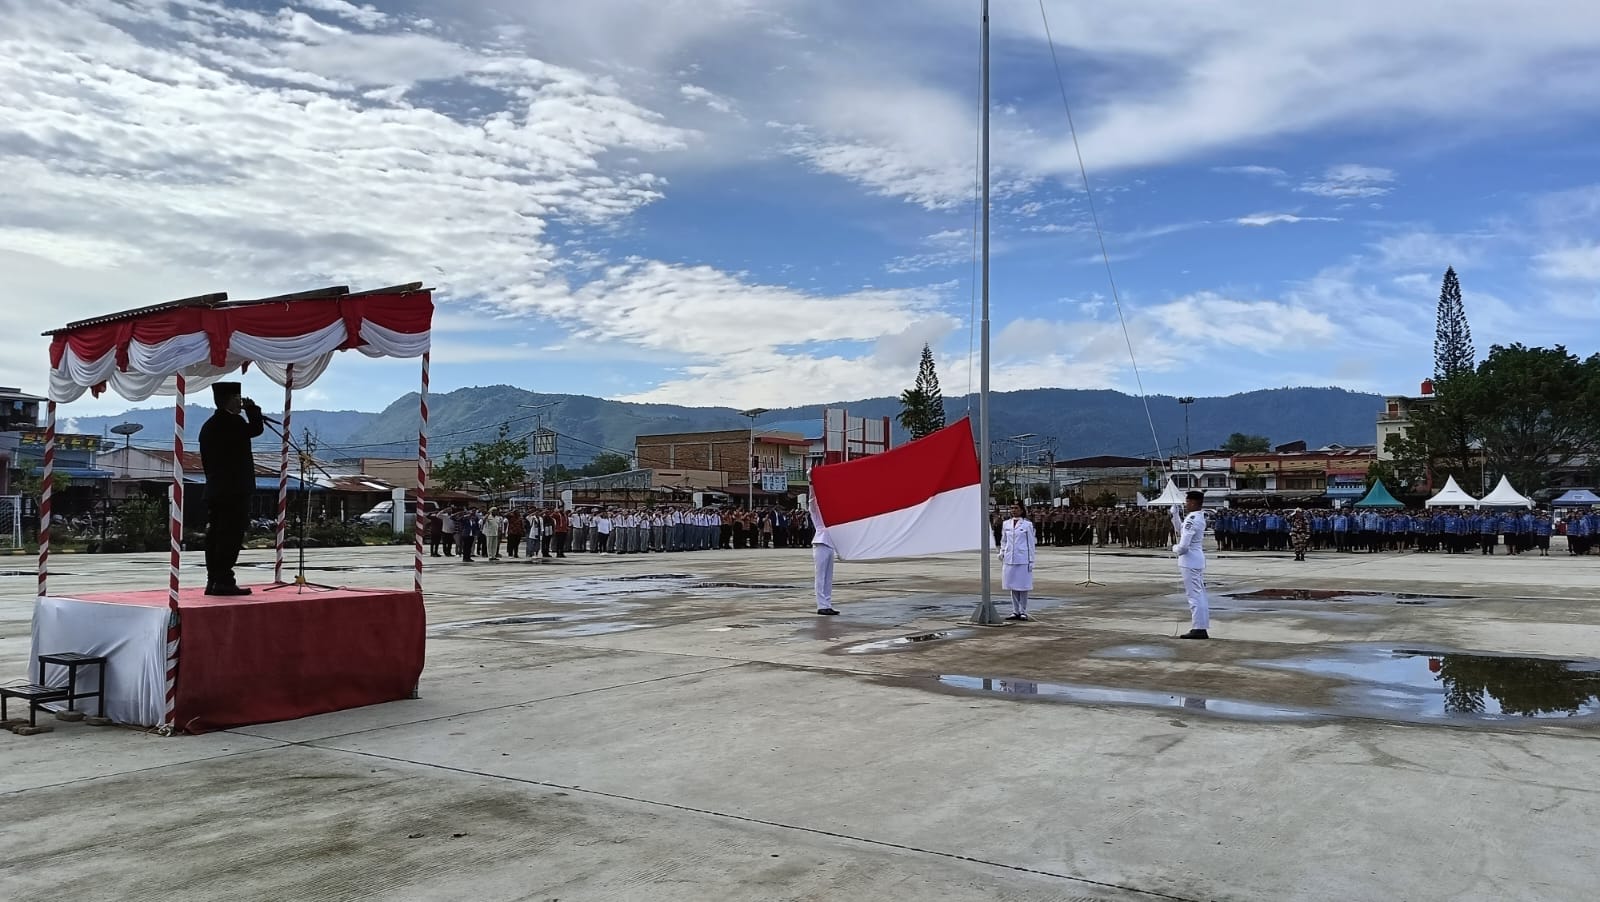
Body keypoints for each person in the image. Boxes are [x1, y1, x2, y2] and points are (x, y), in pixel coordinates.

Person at [198, 381, 265, 595]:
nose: (240, 401)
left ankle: (215, 580)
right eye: (237, 397)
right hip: (232, 490)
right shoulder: (230, 422)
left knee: (217, 536)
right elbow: (255, 429)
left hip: (218, 489)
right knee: (229, 536)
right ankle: (224, 580)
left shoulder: (212, 424)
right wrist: (253, 411)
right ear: (227, 400)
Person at [1170, 490, 1210, 639]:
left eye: (1187, 502)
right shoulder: (1197, 517)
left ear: (1193, 502)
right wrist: (1174, 516)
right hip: (1196, 560)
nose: (1186, 504)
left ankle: (1199, 628)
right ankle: (1201, 626)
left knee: (1194, 596)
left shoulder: (1192, 519)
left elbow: (1183, 547)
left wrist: (1174, 548)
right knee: (1199, 595)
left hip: (1190, 560)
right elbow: (1181, 530)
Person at [999, 503, 1037, 621]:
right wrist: (1002, 552)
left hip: (1023, 558)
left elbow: (1031, 543)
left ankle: (1023, 611)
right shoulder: (1006, 524)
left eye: (1016, 508)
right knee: (1012, 586)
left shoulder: (1027, 525)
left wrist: (1031, 560)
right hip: (1010, 558)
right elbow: (1004, 540)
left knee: (1023, 586)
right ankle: (1015, 611)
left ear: (1021, 510)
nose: (1013, 510)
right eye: (1012, 508)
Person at [811, 505, 838, 615]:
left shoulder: (830, 513)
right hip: (820, 543)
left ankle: (827, 604)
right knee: (820, 576)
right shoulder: (817, 514)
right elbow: (812, 504)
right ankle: (821, 605)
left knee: (828, 578)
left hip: (830, 543)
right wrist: (813, 488)